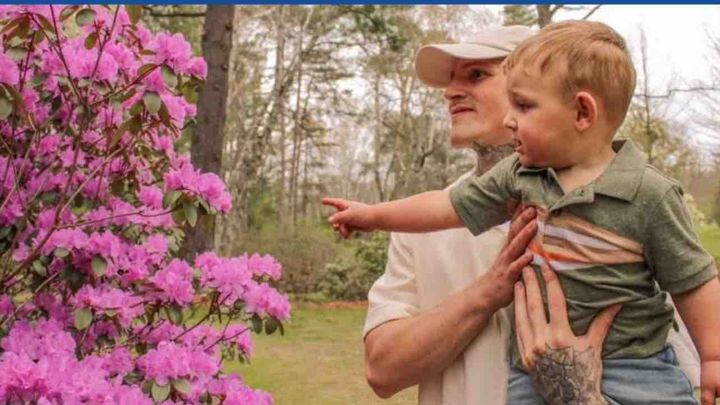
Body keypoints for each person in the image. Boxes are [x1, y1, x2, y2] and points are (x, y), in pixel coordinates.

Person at [324, 21, 719, 404]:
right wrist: (486, 292)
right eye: (451, 80)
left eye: (477, 75)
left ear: (578, 107)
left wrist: (579, 396)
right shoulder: (422, 227)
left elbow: (691, 297)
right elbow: (382, 370)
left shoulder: (638, 200)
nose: (450, 92)